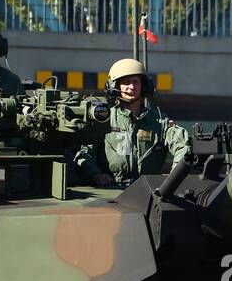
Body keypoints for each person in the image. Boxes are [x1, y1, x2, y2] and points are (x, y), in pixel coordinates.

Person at [76, 58, 190, 188]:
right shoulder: (104, 119)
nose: (132, 87)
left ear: (144, 86)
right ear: (114, 86)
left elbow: (182, 144)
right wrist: (95, 173)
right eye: (126, 82)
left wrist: (174, 176)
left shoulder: (158, 121)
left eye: (136, 82)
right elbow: (84, 153)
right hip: (111, 190)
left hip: (148, 191)